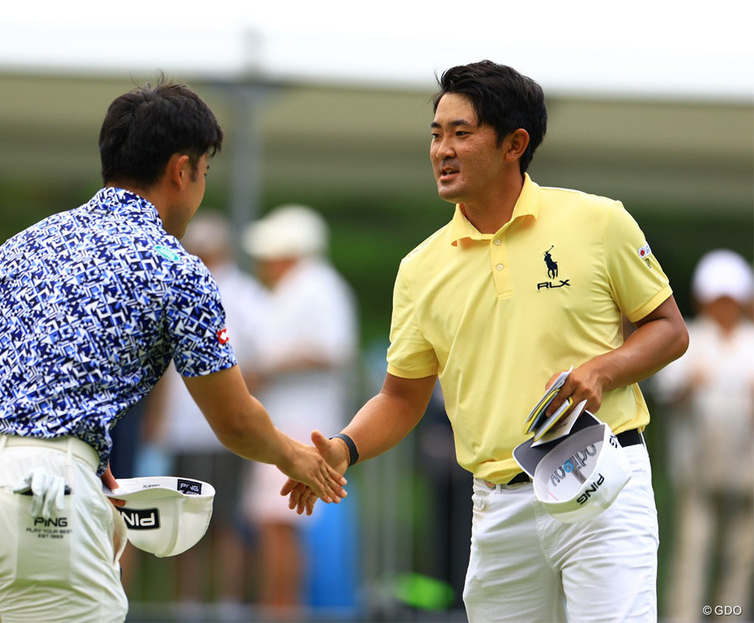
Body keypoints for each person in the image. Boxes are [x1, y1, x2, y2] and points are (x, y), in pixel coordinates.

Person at [0, 79, 347, 623]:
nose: (201, 189)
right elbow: (235, 419)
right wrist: (298, 459)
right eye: (204, 173)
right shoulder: (177, 266)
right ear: (181, 169)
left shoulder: (23, 242)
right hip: (42, 498)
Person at [283, 60, 689, 622]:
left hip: (605, 485)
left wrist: (603, 371)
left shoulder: (599, 221)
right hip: (499, 505)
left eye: (461, 133)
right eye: (435, 134)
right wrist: (342, 449)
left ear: (513, 144)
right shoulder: (419, 268)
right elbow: (401, 398)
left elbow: (668, 329)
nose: (442, 150)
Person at [241, 205, 360, 618]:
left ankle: (281, 612)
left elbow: (331, 349)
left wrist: (266, 371)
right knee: (277, 527)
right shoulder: (298, 288)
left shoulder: (317, 285)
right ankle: (280, 610)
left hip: (300, 424)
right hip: (288, 420)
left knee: (280, 526)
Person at [154, 209, 269, 617]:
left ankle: (227, 605)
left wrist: (239, 406)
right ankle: (188, 607)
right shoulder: (180, 288)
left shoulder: (244, 294)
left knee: (225, 523)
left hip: (224, 429)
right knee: (184, 522)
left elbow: (259, 360)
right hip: (184, 430)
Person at [653, 249, 754, 621]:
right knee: (693, 552)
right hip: (696, 471)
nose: (724, 307)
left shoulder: (751, 342)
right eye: (717, 300)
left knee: (741, 557)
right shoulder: (688, 338)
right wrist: (688, 390)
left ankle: (730, 616)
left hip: (748, 474)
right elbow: (666, 392)